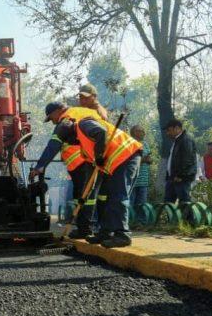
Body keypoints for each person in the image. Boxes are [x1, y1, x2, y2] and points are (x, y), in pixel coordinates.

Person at [31, 104, 142, 247]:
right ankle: (105, 233)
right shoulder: (83, 144)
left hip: (127, 156)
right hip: (116, 163)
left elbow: (101, 132)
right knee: (107, 198)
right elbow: (91, 168)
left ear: (71, 132)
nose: (70, 142)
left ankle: (123, 235)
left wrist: (99, 155)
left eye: (69, 140)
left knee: (118, 196)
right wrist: (87, 190)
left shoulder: (83, 124)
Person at [29, 102, 102, 239]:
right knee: (87, 196)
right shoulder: (83, 111)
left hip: (84, 161)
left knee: (84, 197)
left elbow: (53, 145)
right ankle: (91, 228)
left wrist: (40, 166)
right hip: (96, 159)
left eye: (51, 118)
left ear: (58, 110)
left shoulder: (66, 120)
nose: (52, 122)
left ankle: (85, 229)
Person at [163, 118, 197, 204]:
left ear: (177, 128)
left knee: (184, 203)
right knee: (168, 203)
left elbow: (187, 160)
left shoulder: (186, 140)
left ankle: (188, 218)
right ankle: (172, 218)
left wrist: (180, 175)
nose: (167, 133)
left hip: (181, 178)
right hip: (173, 178)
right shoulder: (177, 141)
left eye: (169, 130)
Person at [129, 124, 152, 207]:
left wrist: (149, 160)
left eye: (143, 131)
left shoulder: (145, 144)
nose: (144, 133)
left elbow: (149, 159)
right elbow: (128, 161)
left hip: (143, 181)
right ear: (135, 132)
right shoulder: (130, 143)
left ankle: (141, 220)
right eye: (141, 131)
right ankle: (130, 220)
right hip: (132, 180)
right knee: (130, 205)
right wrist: (143, 160)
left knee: (142, 205)